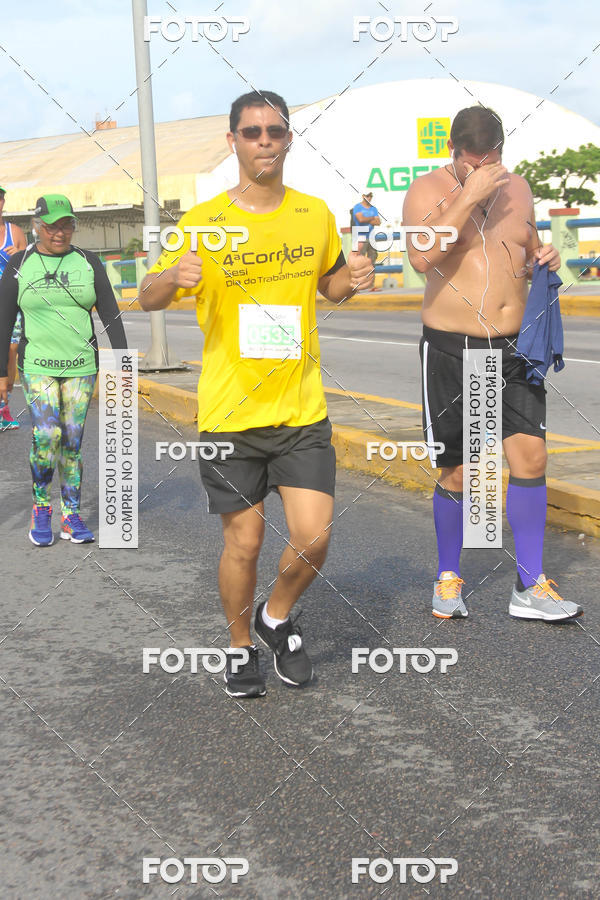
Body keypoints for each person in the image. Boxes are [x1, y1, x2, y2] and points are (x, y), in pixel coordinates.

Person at [139, 89, 373, 697]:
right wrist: (172, 276)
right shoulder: (203, 222)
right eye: (252, 132)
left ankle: (276, 617)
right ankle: (241, 646)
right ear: (233, 141)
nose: (264, 141)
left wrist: (357, 277)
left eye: (274, 131)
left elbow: (332, 285)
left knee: (315, 536)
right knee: (243, 542)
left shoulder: (313, 214)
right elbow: (148, 296)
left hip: (300, 409)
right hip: (230, 412)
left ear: (289, 138)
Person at [403, 105, 582, 623]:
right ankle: (447, 576)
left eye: (493, 160)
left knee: (531, 460)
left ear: (503, 150)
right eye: (472, 162)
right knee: (459, 470)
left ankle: (530, 584)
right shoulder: (425, 190)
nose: (485, 170)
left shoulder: (520, 188)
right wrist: (468, 195)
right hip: (453, 348)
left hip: (514, 347)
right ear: (453, 153)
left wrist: (542, 258)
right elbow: (420, 258)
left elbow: (519, 256)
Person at [0, 194, 127, 546]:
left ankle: (71, 515)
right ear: (37, 227)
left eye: (66, 224)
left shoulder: (88, 262)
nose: (59, 232)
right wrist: (2, 375)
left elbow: (111, 315)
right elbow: (3, 320)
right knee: (47, 437)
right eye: (52, 225)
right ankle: (42, 508)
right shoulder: (19, 264)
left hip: (81, 366)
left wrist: (123, 365)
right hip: (37, 364)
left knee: (71, 441)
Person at [0, 185, 27, 430]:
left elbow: (32, 264)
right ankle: (3, 409)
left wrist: (20, 252)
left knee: (12, 349)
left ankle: (4, 399)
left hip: (12, 302)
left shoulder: (14, 232)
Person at [351, 190, 381, 266]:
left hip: (371, 237)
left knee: (372, 259)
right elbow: (360, 219)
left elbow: (378, 222)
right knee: (360, 260)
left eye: (371, 196)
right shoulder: (357, 207)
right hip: (360, 237)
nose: (369, 198)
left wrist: (366, 219)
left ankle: (370, 276)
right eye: (367, 196)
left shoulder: (373, 208)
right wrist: (372, 218)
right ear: (363, 196)